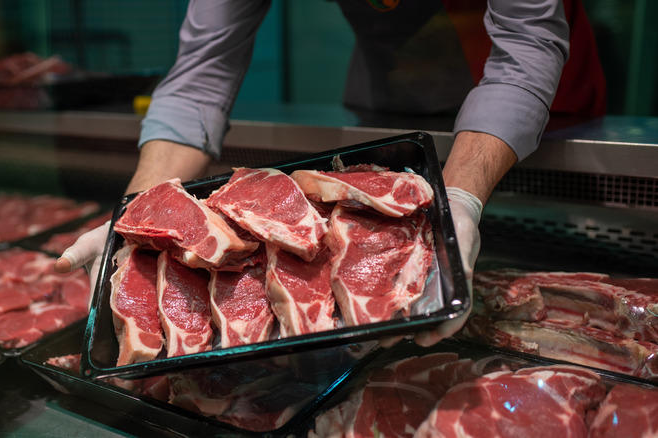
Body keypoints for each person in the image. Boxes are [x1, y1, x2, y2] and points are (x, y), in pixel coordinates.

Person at [54, 0, 605, 346]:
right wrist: (140, 215)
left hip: (537, 110)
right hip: (400, 86)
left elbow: (526, 48)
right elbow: (202, 75)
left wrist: (461, 199)